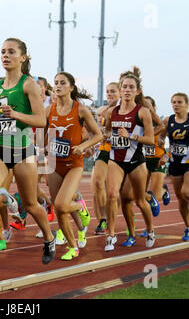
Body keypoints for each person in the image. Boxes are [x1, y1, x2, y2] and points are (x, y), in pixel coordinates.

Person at [0, 38, 56, 275]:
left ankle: (49, 237)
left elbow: (41, 121)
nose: (5, 55)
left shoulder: (29, 85)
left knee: (30, 204)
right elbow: (1, 117)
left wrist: (18, 114)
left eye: (11, 52)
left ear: (23, 57)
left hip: (22, 151)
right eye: (2, 52)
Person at [46, 72, 102, 260]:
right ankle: (73, 246)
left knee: (62, 205)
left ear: (71, 87)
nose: (58, 86)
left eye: (63, 83)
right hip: (54, 164)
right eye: (55, 83)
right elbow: (43, 135)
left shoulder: (80, 110)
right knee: (58, 207)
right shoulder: (49, 110)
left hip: (73, 164)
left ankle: (79, 207)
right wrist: (41, 148)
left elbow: (98, 135)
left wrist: (83, 146)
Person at [104, 67, 156, 252]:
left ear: (137, 91)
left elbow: (150, 139)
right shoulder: (112, 111)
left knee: (138, 201)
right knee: (112, 195)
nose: (127, 90)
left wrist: (131, 136)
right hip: (115, 159)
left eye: (131, 87)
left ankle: (150, 230)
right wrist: (107, 135)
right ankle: (111, 235)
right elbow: (108, 130)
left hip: (135, 161)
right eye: (124, 86)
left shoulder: (143, 112)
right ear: (120, 89)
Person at [158, 93, 189, 241]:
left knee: (186, 192)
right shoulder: (168, 120)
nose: (176, 104)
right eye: (174, 102)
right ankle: (188, 227)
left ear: (186, 105)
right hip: (175, 163)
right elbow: (162, 136)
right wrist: (163, 152)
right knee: (181, 199)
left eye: (179, 102)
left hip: (188, 163)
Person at [91, 82, 120, 235]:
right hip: (103, 151)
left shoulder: (125, 111)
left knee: (117, 192)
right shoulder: (102, 110)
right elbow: (95, 131)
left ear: (120, 93)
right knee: (97, 184)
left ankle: (112, 217)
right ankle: (102, 220)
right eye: (107, 91)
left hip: (121, 152)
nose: (109, 94)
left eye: (113, 91)